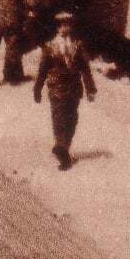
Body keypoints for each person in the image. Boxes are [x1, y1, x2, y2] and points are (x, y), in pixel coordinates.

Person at [33, 11, 97, 170]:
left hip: (74, 88)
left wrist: (90, 89)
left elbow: (85, 69)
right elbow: (42, 70)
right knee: (58, 116)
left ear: (71, 27)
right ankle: (61, 147)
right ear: (57, 28)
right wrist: (37, 89)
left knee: (72, 119)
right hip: (56, 87)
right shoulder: (50, 47)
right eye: (61, 25)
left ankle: (64, 147)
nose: (64, 28)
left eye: (67, 25)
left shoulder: (77, 45)